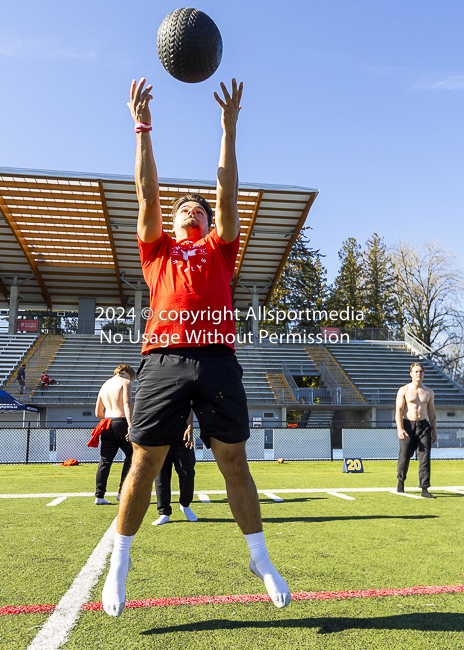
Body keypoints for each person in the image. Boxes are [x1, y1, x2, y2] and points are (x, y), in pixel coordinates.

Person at [102, 78, 290, 617]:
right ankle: (121, 559)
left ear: (208, 223)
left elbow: (228, 190)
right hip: (162, 359)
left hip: (216, 359)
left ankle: (260, 557)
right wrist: (142, 129)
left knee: (233, 459)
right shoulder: (157, 250)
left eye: (198, 210)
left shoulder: (218, 249)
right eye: (183, 208)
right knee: (144, 461)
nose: (190, 211)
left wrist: (229, 129)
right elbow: (146, 191)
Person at [92, 364, 135, 505]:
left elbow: (98, 413)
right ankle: (122, 492)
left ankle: (99, 495)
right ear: (126, 373)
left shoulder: (104, 385)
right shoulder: (126, 382)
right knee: (131, 456)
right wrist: (130, 424)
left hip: (107, 423)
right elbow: (127, 403)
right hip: (122, 421)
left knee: (105, 461)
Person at [395, 363, 437, 498]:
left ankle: (424, 488)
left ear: (424, 374)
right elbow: (399, 410)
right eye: (416, 371)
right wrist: (400, 428)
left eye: (420, 372)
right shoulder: (404, 390)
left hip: (424, 426)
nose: (418, 374)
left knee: (425, 458)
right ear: (411, 374)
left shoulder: (428, 391)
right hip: (408, 425)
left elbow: (432, 413)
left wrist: (434, 430)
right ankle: (401, 482)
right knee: (404, 456)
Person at [153, 410, 197, 525]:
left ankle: (185, 505)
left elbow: (190, 405)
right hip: (161, 432)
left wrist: (190, 426)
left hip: (182, 431)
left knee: (187, 471)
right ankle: (164, 512)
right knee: (161, 474)